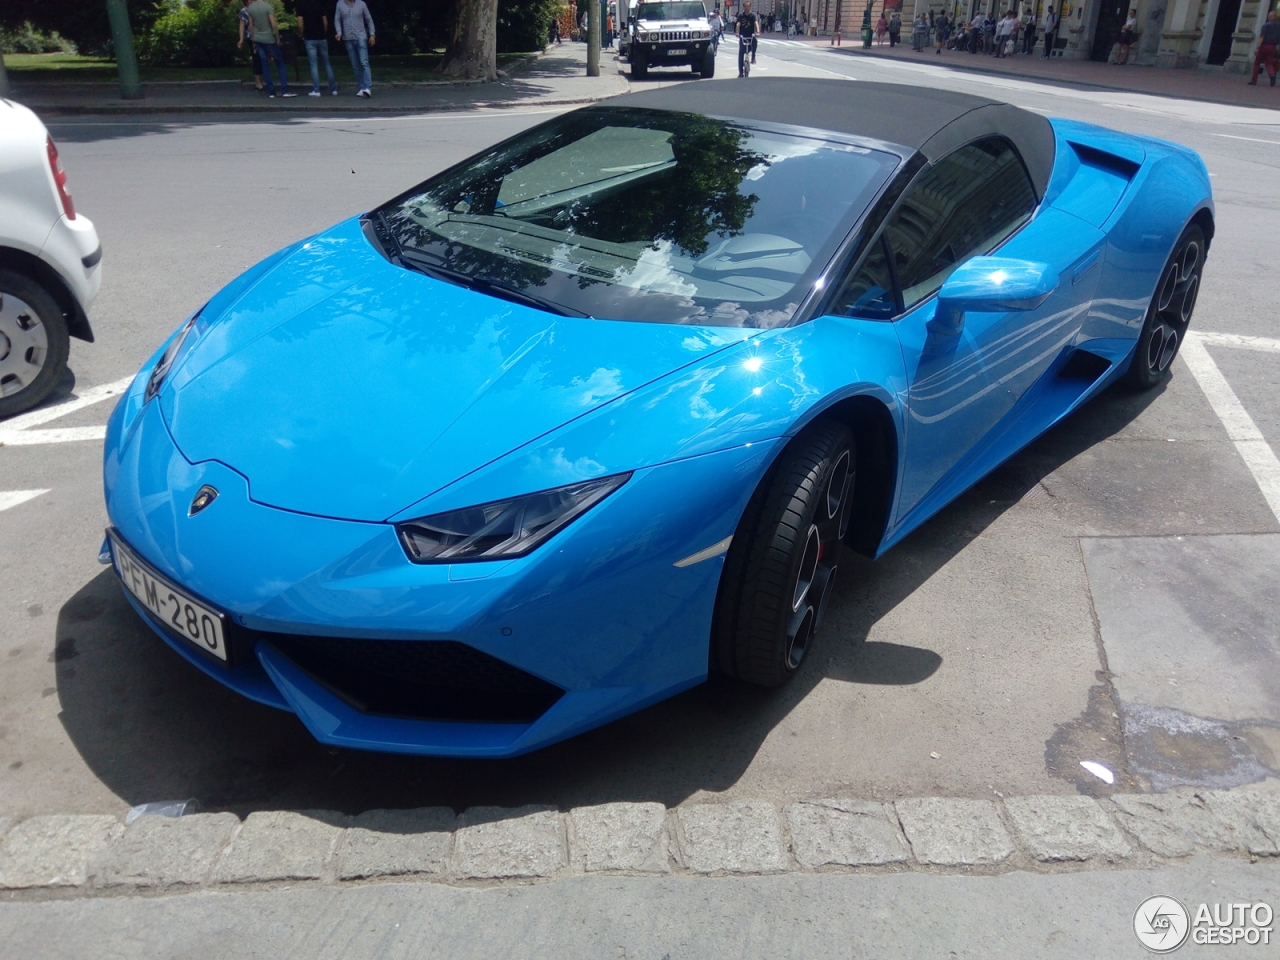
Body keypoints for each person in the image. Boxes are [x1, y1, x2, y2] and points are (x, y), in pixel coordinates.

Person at [245, 0, 294, 97]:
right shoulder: (268, 7)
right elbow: (274, 24)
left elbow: (251, 26)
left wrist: (253, 39)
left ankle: (271, 91)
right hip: (268, 38)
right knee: (280, 63)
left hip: (258, 38)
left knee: (265, 64)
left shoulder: (250, 8)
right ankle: (284, 90)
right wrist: (277, 37)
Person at [334, 0, 376, 98]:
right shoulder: (340, 4)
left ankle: (368, 88)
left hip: (361, 36)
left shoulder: (361, 4)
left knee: (364, 62)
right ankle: (361, 87)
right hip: (348, 38)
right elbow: (337, 19)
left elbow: (369, 19)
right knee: (355, 65)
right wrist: (339, 32)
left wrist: (372, 34)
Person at [297, 0, 337, 96]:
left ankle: (316, 90)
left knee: (313, 64)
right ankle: (333, 89)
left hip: (310, 38)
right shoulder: (319, 4)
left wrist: (301, 34)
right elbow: (325, 22)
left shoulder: (301, 5)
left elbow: (299, 24)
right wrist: (324, 33)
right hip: (321, 37)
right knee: (327, 63)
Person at [237, 0, 265, 92]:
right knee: (256, 59)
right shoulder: (244, 11)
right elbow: (242, 26)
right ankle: (258, 83)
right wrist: (241, 39)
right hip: (252, 37)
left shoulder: (258, 8)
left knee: (262, 59)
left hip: (262, 35)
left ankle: (263, 79)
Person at [1250, 10, 1280, 84]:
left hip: (1264, 45)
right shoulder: (1279, 26)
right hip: (1273, 46)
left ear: (1270, 17)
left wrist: (1257, 47)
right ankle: (1272, 75)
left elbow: (1261, 37)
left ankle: (1254, 80)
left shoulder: (1265, 25)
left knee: (1257, 62)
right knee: (1269, 62)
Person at [736, 0, 759, 75]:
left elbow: (756, 23)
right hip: (743, 36)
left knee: (755, 41)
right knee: (741, 54)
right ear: (743, 7)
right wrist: (737, 32)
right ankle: (740, 72)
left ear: (750, 7)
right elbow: (738, 24)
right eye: (745, 6)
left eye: (748, 6)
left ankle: (753, 57)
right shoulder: (740, 15)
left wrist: (757, 32)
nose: (747, 8)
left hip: (750, 36)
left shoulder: (753, 15)